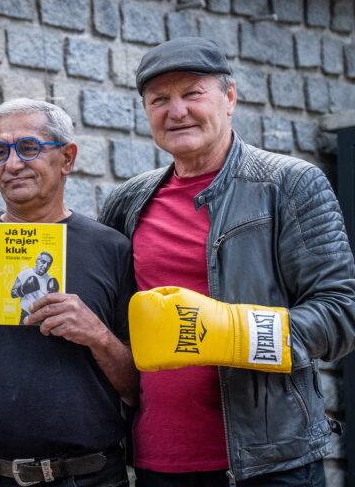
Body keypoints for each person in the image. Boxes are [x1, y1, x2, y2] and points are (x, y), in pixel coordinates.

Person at [98, 37, 355, 486]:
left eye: (192, 94)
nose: (175, 111)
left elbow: (341, 315)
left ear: (230, 97)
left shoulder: (289, 185)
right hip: (158, 462)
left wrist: (233, 333)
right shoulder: (127, 202)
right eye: (159, 100)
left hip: (269, 465)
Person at [0, 99, 138, 487]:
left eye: (29, 148)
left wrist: (97, 335)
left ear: (67, 158)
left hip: (91, 476)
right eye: (0, 152)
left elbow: (139, 387)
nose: (13, 164)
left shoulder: (113, 249)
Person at [11, 251, 57, 323]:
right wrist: (23, 290)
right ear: (37, 261)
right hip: (26, 314)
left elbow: (53, 302)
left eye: (48, 264)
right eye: (43, 262)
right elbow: (13, 294)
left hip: (43, 315)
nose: (45, 266)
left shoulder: (50, 279)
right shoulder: (25, 273)